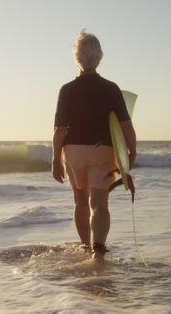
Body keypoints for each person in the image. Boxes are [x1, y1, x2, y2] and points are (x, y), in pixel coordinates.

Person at [52, 29, 137, 262]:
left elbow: (59, 130)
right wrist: (132, 152)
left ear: (76, 57)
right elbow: (126, 125)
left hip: (74, 152)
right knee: (99, 204)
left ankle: (84, 246)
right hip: (103, 151)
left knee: (80, 200)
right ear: (99, 57)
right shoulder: (111, 88)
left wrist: (54, 159)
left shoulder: (67, 90)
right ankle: (98, 252)